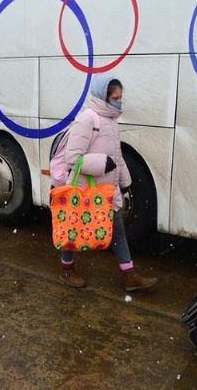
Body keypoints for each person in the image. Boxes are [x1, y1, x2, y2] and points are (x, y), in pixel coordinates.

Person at [54, 74, 157, 292]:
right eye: (115, 97)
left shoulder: (111, 121)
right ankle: (67, 269)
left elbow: (117, 157)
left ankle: (129, 276)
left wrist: (125, 181)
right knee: (74, 230)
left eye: (120, 97)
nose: (119, 102)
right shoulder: (88, 119)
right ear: (104, 97)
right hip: (84, 188)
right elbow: (74, 159)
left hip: (107, 189)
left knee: (118, 232)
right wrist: (103, 163)